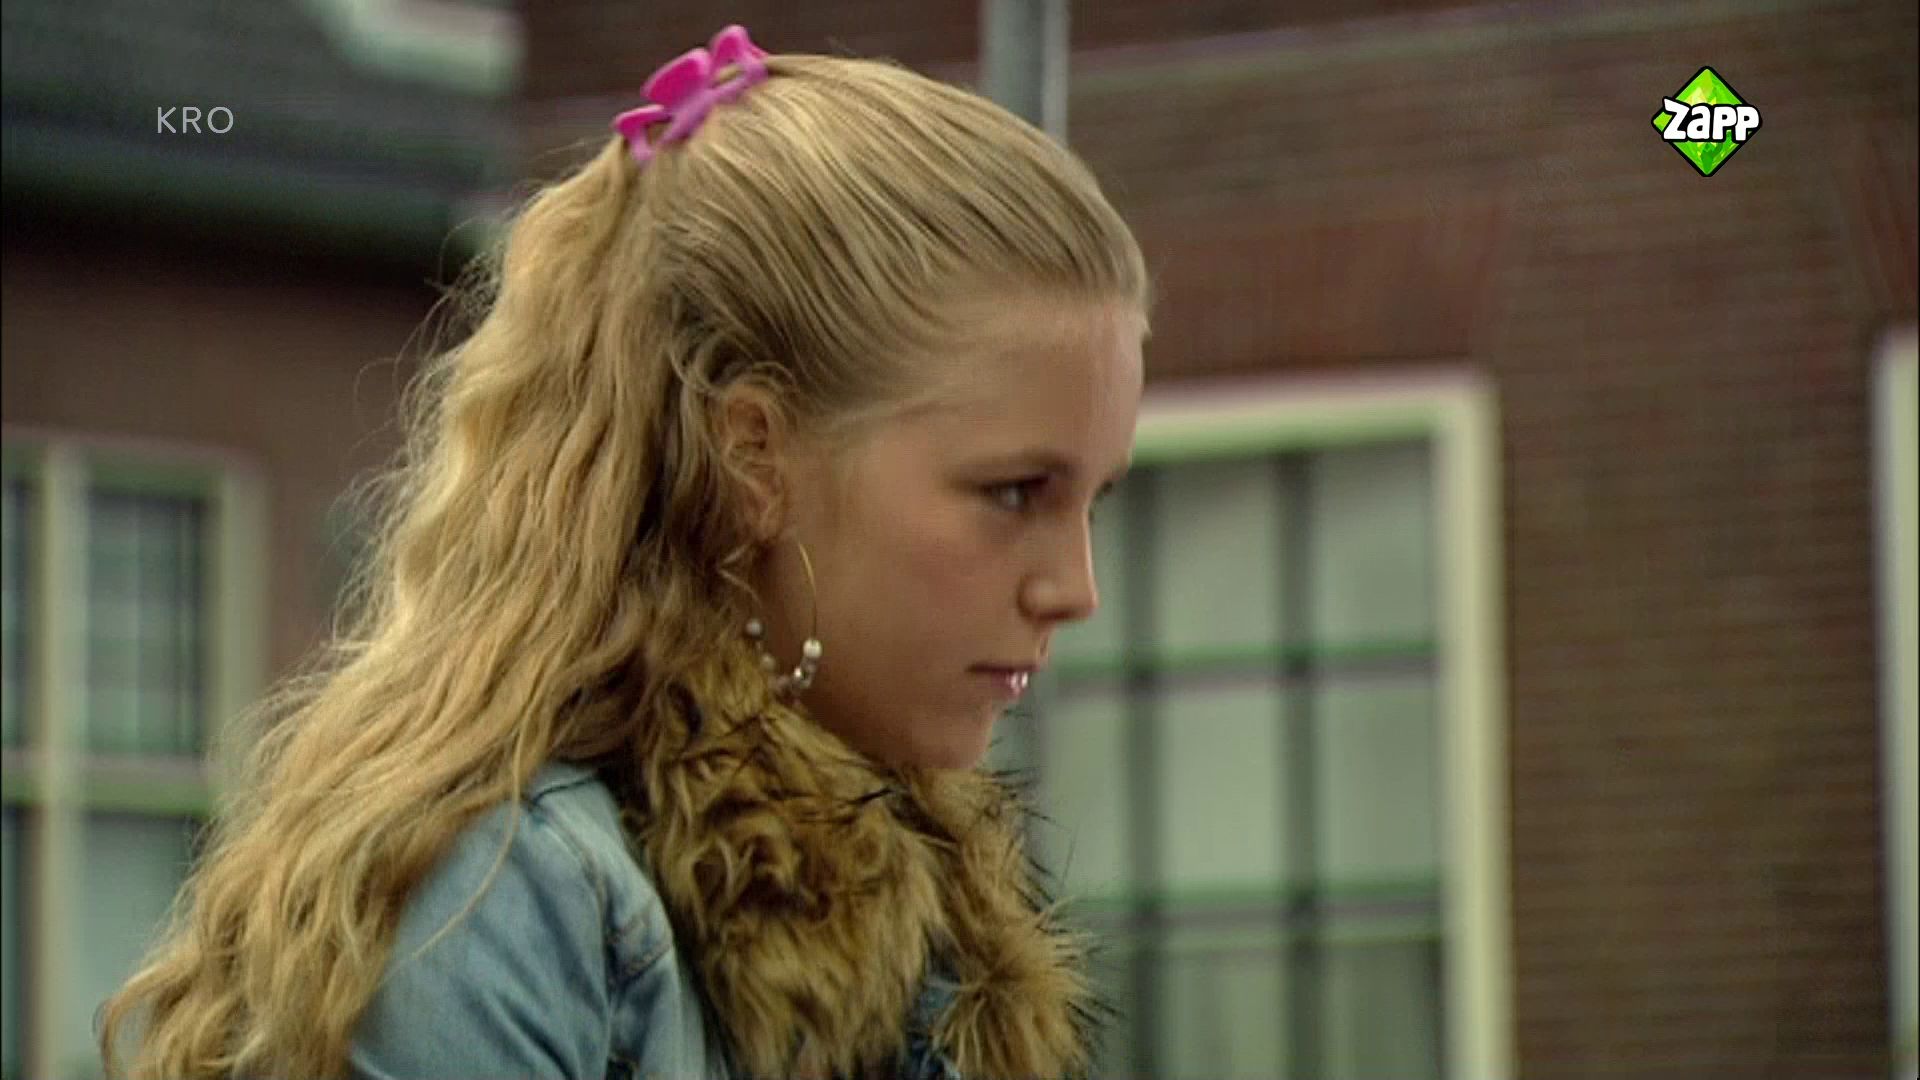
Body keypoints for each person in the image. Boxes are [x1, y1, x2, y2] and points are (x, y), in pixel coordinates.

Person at [101, 23, 1149, 1080]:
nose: (1076, 590)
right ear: (756, 457)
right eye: (1013, 493)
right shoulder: (506, 901)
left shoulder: (937, 909)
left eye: (1092, 501)